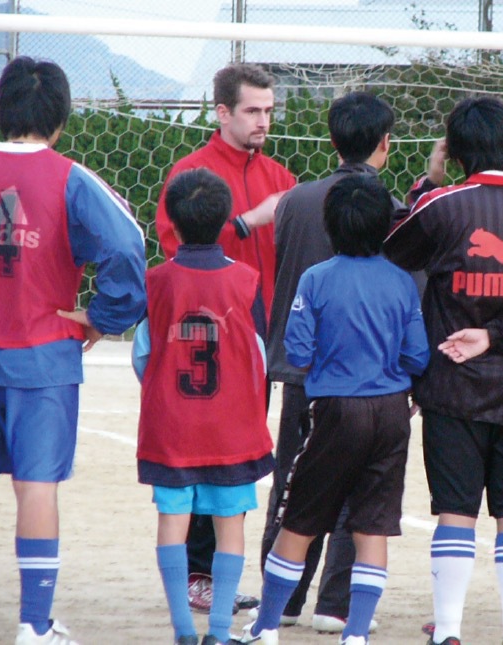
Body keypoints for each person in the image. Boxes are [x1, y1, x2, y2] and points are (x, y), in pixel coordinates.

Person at [383, 96, 503, 645]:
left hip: (453, 386)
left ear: (455, 150)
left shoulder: (442, 206)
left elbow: (391, 247)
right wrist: (499, 336)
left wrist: (428, 182)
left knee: (454, 512)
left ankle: (447, 632)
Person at [0, 56, 146, 644]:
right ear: (61, 119)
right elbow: (128, 243)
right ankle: (34, 625)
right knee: (36, 487)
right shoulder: (71, 177)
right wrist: (105, 316)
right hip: (44, 358)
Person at [238, 173, 430, 645]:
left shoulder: (316, 279)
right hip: (391, 413)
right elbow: (417, 356)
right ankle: (356, 633)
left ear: (330, 225)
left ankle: (266, 626)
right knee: (372, 525)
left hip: (336, 411)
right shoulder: (401, 282)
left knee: (299, 519)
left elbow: (298, 352)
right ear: (386, 226)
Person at [154, 62, 296, 614]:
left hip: (261, 341)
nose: (263, 121)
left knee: (238, 457)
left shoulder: (282, 178)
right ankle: (198, 574)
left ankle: (220, 574)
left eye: (269, 111)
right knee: (197, 456)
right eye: (252, 111)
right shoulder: (190, 174)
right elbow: (176, 249)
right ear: (222, 112)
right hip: (203, 344)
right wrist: (246, 221)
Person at [259, 91, 396, 634]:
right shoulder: (389, 208)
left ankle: (283, 600)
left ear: (333, 141)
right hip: (369, 376)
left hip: (303, 370)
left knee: (293, 483)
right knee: (360, 492)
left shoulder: (294, 200)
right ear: (385, 143)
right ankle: (336, 606)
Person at [133, 168, 274, 645]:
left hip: (172, 427)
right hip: (231, 427)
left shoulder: (157, 282)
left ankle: (182, 630)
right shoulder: (246, 280)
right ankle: (218, 631)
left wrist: (162, 388)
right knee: (229, 524)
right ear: (224, 219)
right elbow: (258, 356)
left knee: (172, 521)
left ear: (172, 221)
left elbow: (142, 355)